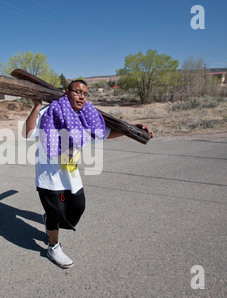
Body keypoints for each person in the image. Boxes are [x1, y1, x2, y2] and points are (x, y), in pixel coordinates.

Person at [24, 80, 154, 268]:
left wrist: (132, 128)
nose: (82, 96)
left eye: (85, 93)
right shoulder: (49, 112)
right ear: (67, 92)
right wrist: (36, 106)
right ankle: (53, 246)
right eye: (77, 92)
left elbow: (104, 133)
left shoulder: (83, 117)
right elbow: (28, 133)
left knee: (77, 207)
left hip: (71, 174)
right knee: (55, 213)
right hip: (49, 177)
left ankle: (51, 219)